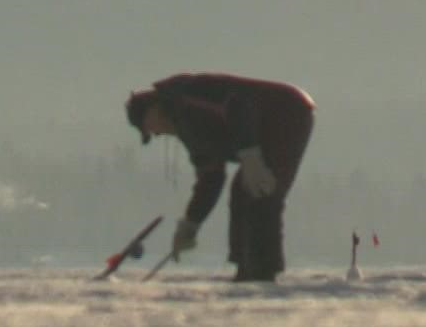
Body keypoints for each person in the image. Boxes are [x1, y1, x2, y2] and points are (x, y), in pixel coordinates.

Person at [124, 73, 315, 282]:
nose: (157, 134)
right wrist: (191, 224)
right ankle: (245, 269)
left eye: (149, 128)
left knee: (261, 191)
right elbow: (211, 178)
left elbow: (239, 106)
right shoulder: (189, 131)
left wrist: (250, 155)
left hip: (287, 113)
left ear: (152, 109)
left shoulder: (188, 96)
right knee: (241, 192)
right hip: (262, 133)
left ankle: (263, 272)